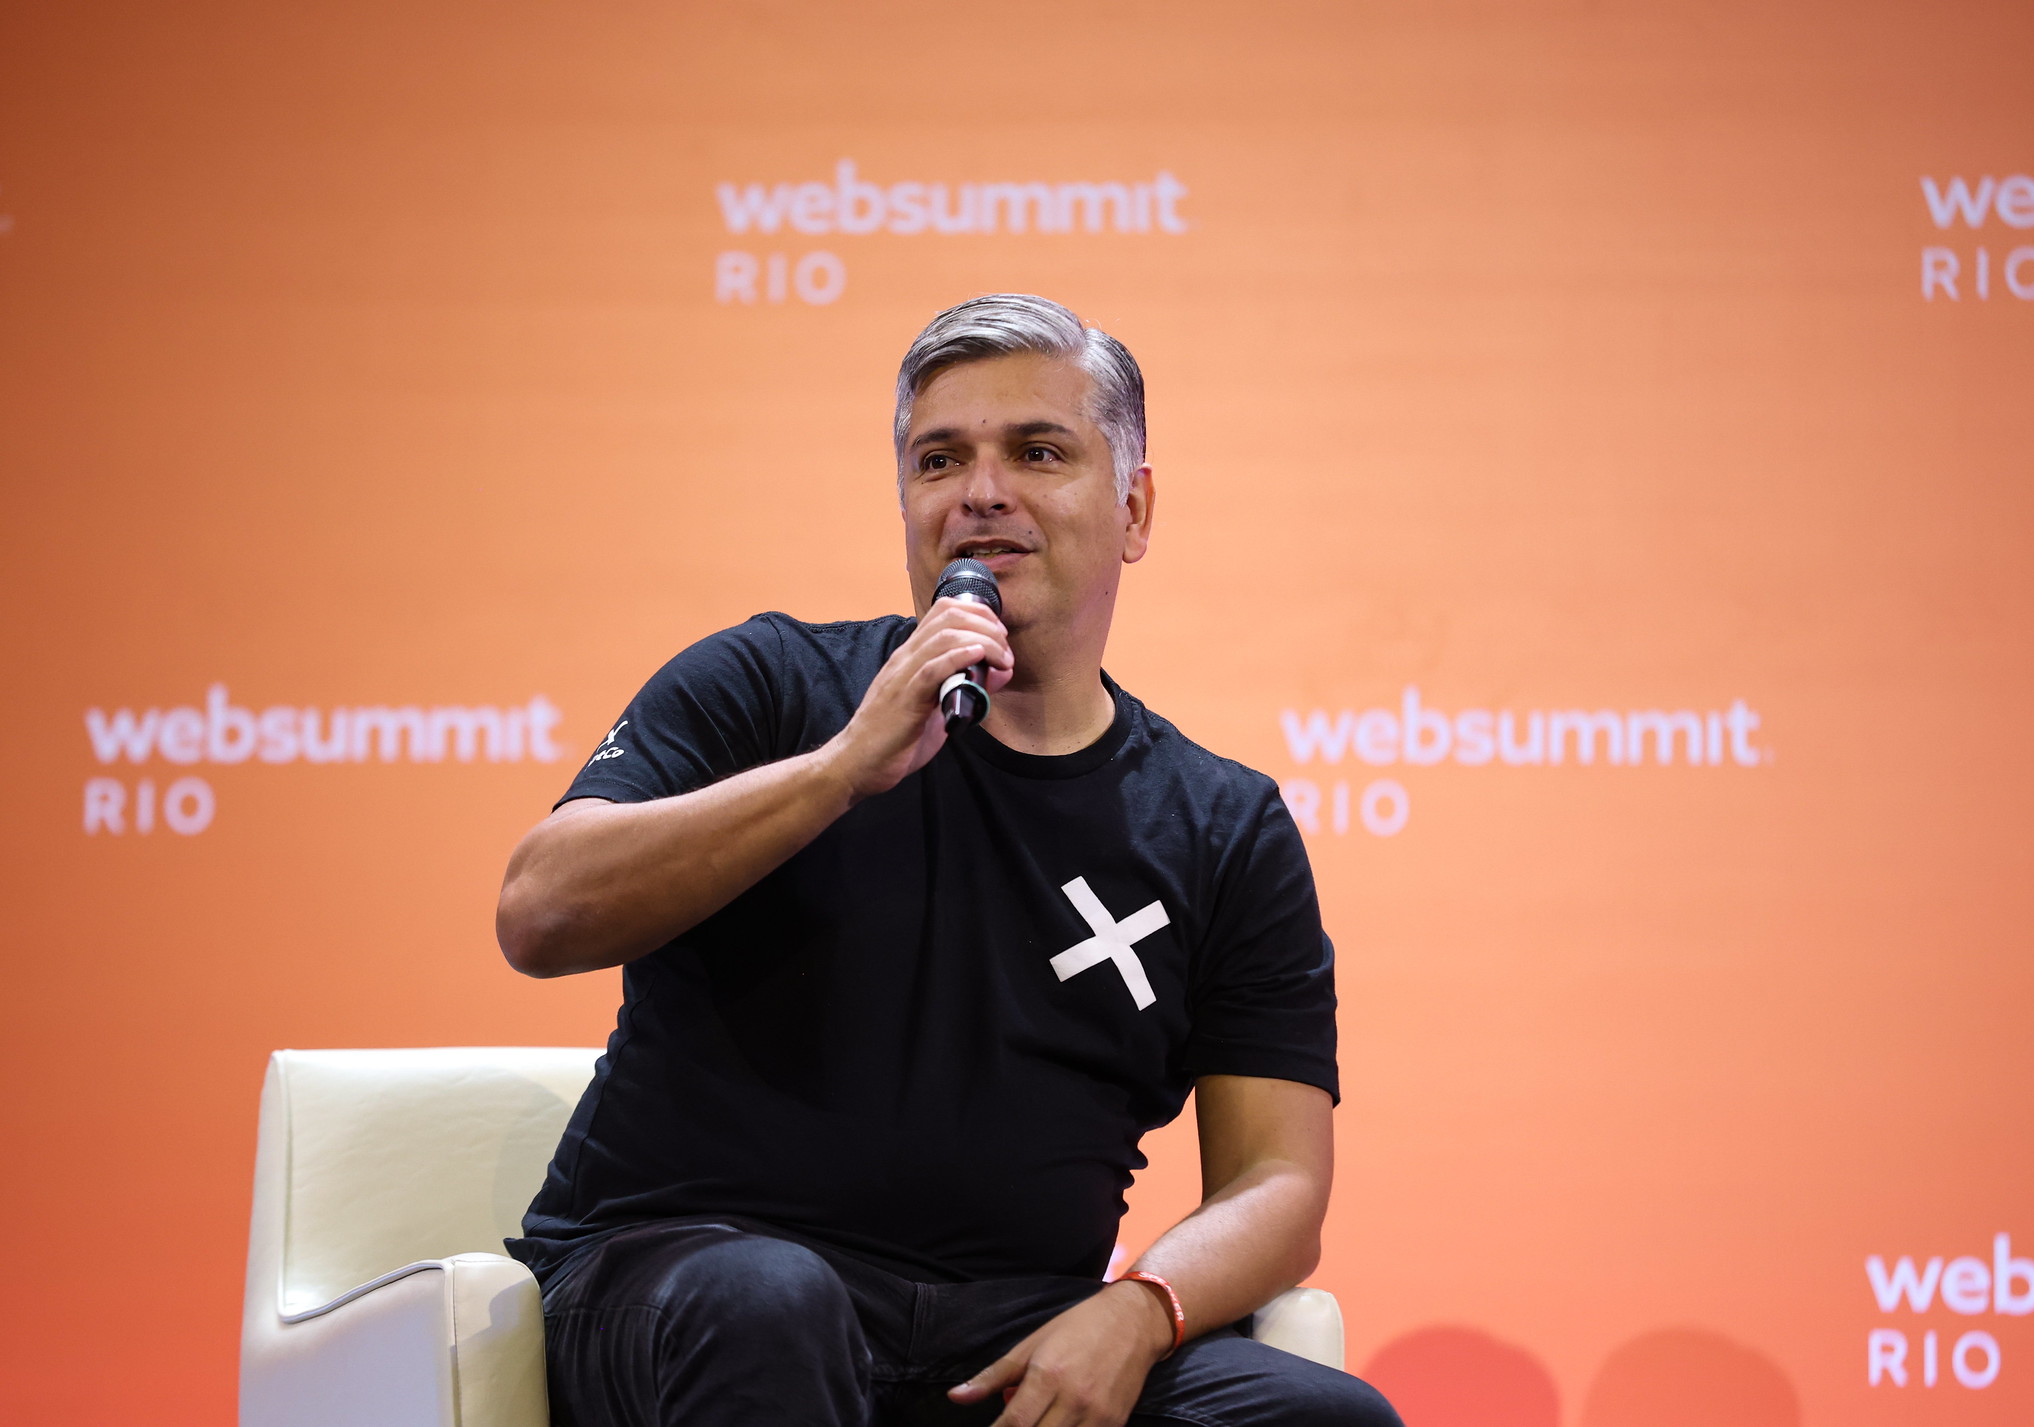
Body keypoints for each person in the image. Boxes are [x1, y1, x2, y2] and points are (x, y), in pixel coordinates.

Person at [496, 293, 1401, 1427]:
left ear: (1133, 505)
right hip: (691, 1277)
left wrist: (1139, 1308)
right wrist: (839, 767)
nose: (981, 489)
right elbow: (539, 909)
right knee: (772, 1302)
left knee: (1319, 1418)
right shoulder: (771, 685)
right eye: (940, 458)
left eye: (1036, 450)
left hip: (1003, 1328)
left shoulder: (1221, 824)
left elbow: (1278, 1181)